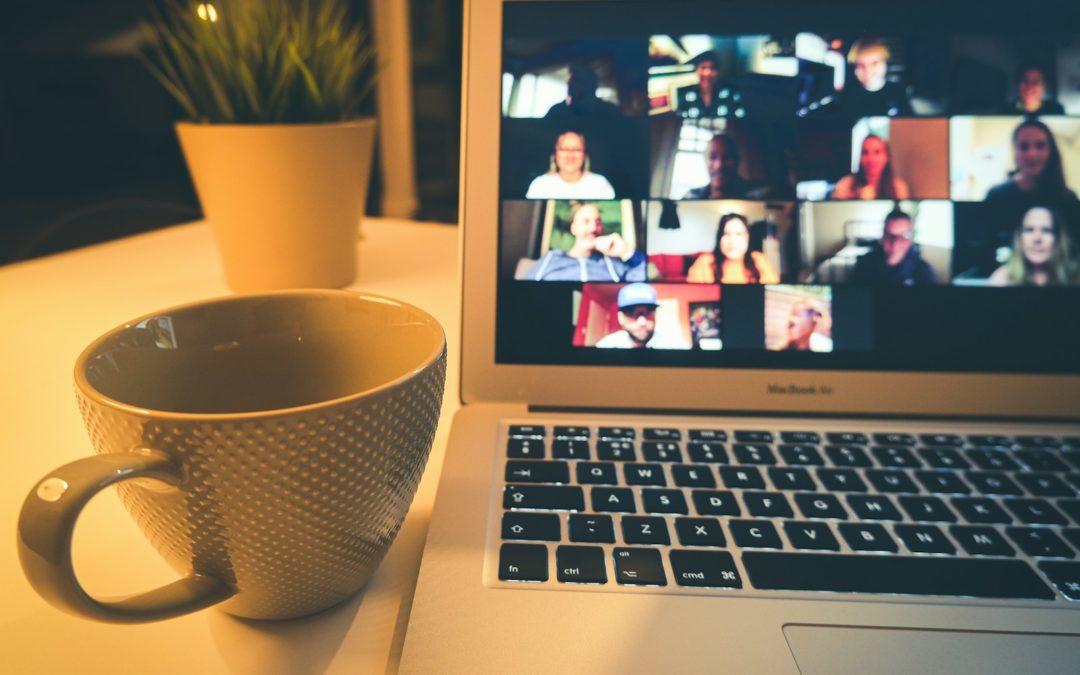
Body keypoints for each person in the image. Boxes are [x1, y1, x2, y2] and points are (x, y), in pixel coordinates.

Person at [983, 119, 1080, 269]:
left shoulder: (1068, 199)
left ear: (1051, 150)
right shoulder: (996, 196)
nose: (1032, 154)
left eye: (1040, 145)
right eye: (1024, 146)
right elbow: (986, 251)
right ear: (1014, 151)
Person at [526, 202, 646, 282]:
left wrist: (626, 252)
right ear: (573, 228)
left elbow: (641, 280)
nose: (593, 228)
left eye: (598, 222)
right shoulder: (551, 258)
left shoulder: (612, 263)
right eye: (586, 221)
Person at [988, 205, 1075, 286]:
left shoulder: (1075, 279)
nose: (1037, 238)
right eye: (1029, 230)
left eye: (1046, 230)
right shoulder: (1001, 280)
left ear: (1058, 239)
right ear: (1019, 238)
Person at [687, 212, 780, 284]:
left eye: (738, 234)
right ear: (719, 238)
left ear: (747, 237)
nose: (732, 241)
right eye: (726, 234)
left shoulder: (758, 259)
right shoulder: (705, 262)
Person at [851, 208, 936, 285]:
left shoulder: (923, 271)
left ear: (910, 239)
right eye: (890, 235)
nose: (895, 243)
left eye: (904, 236)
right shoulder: (864, 264)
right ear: (883, 236)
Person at [525, 130, 615, 199]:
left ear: (585, 155)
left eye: (577, 149)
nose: (570, 155)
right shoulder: (539, 185)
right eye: (564, 149)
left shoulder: (600, 184)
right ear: (555, 154)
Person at [834, 39, 913, 117]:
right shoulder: (849, 95)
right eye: (860, 65)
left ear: (885, 64)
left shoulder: (898, 90)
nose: (868, 70)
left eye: (874, 63)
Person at [595, 283, 687, 349]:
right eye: (631, 313)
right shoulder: (606, 346)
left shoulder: (675, 345)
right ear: (620, 317)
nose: (642, 322)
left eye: (649, 312)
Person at [682, 134, 766, 200]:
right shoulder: (691, 197)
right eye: (712, 157)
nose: (719, 166)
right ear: (705, 161)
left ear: (737, 160)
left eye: (728, 157)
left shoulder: (761, 195)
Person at [831, 135, 910, 200]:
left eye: (877, 152)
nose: (870, 159)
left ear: (887, 157)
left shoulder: (899, 188)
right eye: (865, 152)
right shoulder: (845, 185)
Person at [545, 64, 622, 120]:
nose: (570, 84)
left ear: (590, 84)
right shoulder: (557, 111)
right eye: (570, 80)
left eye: (576, 80)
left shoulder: (608, 112)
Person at [675, 50, 727, 118]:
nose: (707, 73)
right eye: (703, 67)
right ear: (696, 70)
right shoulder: (685, 97)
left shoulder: (728, 95)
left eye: (712, 68)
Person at [998, 64, 1066, 116]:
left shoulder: (1056, 110)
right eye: (1025, 80)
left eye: (1036, 82)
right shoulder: (1005, 111)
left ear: (1044, 87)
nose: (1029, 86)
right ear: (1018, 84)